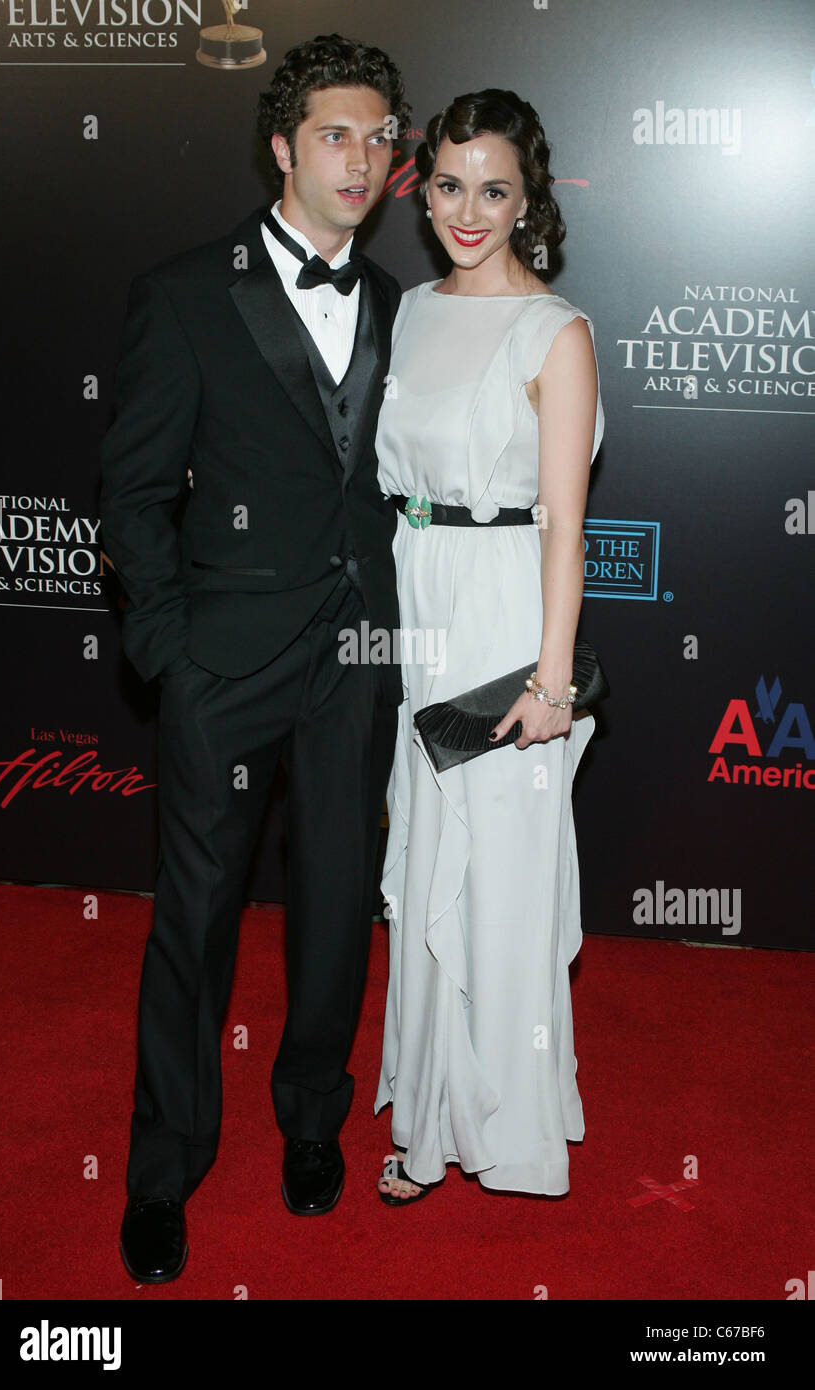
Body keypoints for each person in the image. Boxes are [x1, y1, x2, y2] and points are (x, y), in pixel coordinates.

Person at [99, 33, 410, 1282]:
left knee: (336, 908)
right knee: (194, 924)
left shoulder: (399, 305)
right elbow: (129, 492)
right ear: (281, 147)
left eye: (381, 137)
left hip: (356, 660)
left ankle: (310, 1123)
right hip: (223, 665)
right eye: (337, 134)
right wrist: (171, 650)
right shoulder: (185, 290)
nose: (363, 157)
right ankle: (164, 1170)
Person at [374, 89, 605, 1204]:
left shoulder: (553, 332)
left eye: (495, 188)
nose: (469, 210)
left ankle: (505, 1130)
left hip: (509, 617)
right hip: (420, 603)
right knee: (426, 863)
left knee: (501, 876)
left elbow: (565, 522)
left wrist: (551, 682)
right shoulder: (409, 312)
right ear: (423, 190)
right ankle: (428, 1112)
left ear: (529, 198)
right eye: (450, 185)